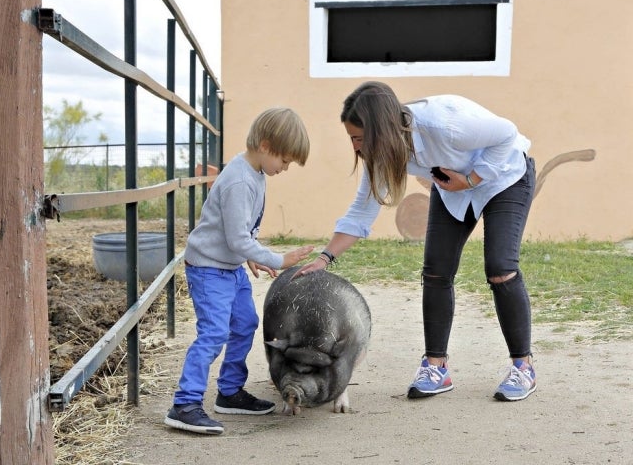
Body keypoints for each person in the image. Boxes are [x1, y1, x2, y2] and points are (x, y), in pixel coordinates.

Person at [297, 81, 537, 402]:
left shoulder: (444, 124)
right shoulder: (381, 152)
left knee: (500, 268)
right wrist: (325, 258)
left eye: (358, 138)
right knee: (436, 270)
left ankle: (523, 366)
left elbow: (507, 134)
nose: (355, 148)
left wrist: (471, 179)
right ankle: (436, 368)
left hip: (504, 178)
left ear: (380, 129)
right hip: (452, 187)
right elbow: (361, 211)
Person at [164, 107, 315, 435]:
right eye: (285, 160)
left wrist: (249, 256)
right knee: (214, 333)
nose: (285, 168)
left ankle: (230, 393)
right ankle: (184, 404)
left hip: (229, 266)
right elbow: (236, 237)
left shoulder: (257, 173)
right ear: (265, 145)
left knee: (245, 323)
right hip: (209, 269)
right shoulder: (238, 180)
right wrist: (278, 258)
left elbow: (240, 232)